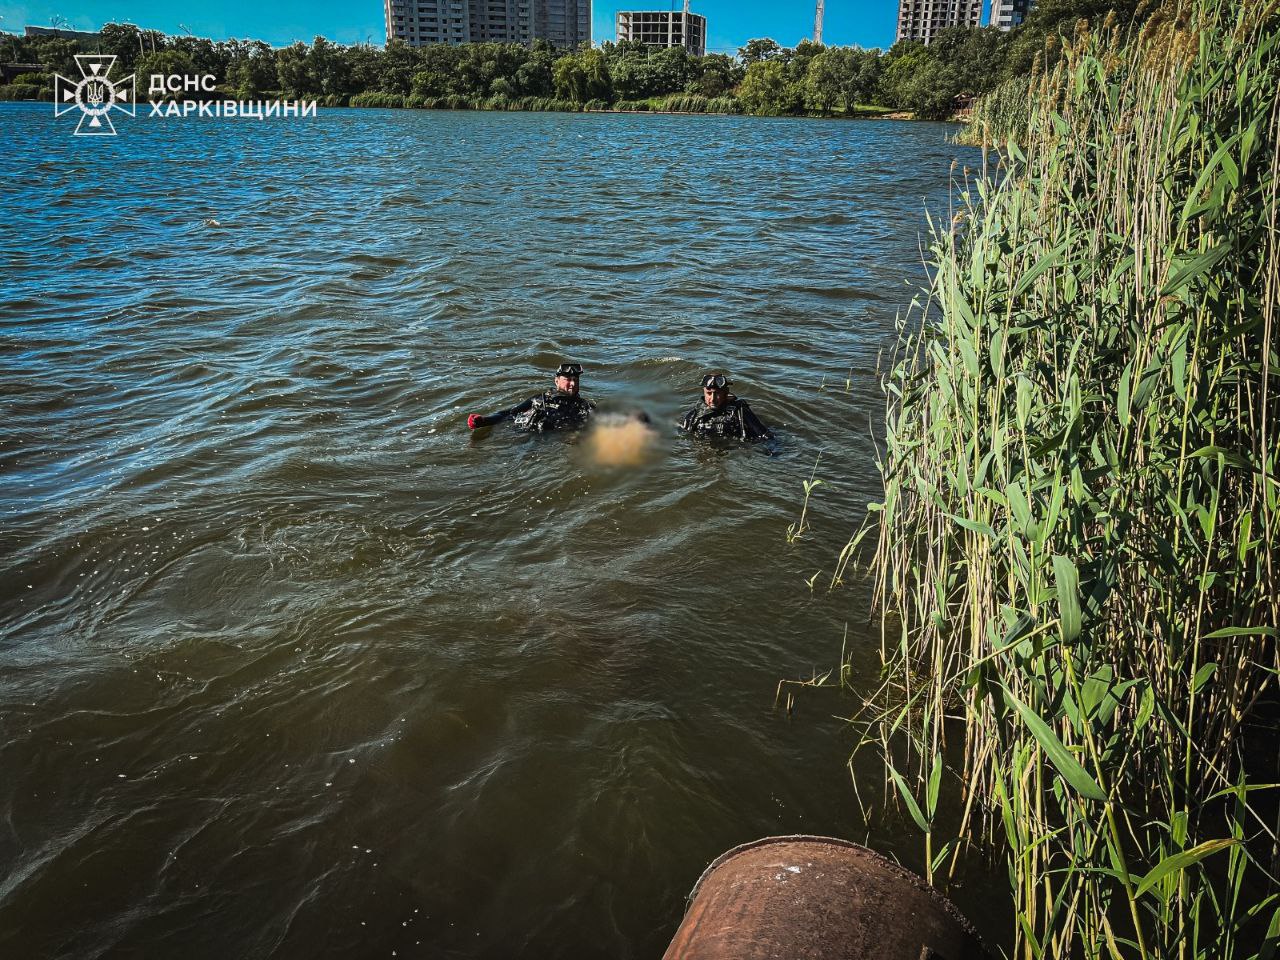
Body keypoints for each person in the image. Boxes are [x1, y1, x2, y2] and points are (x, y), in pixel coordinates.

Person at [466, 362, 595, 433]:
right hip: (526, 437)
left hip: (558, 441)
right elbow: (509, 414)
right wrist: (485, 420)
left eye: (575, 380)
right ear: (556, 381)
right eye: (567, 379)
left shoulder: (585, 406)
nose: (572, 384)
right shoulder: (540, 399)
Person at [677, 372, 773, 442]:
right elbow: (682, 435)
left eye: (717, 394)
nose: (712, 399)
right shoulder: (695, 415)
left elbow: (766, 436)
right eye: (709, 393)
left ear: (726, 393)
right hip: (705, 452)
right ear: (704, 392)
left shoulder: (740, 411)